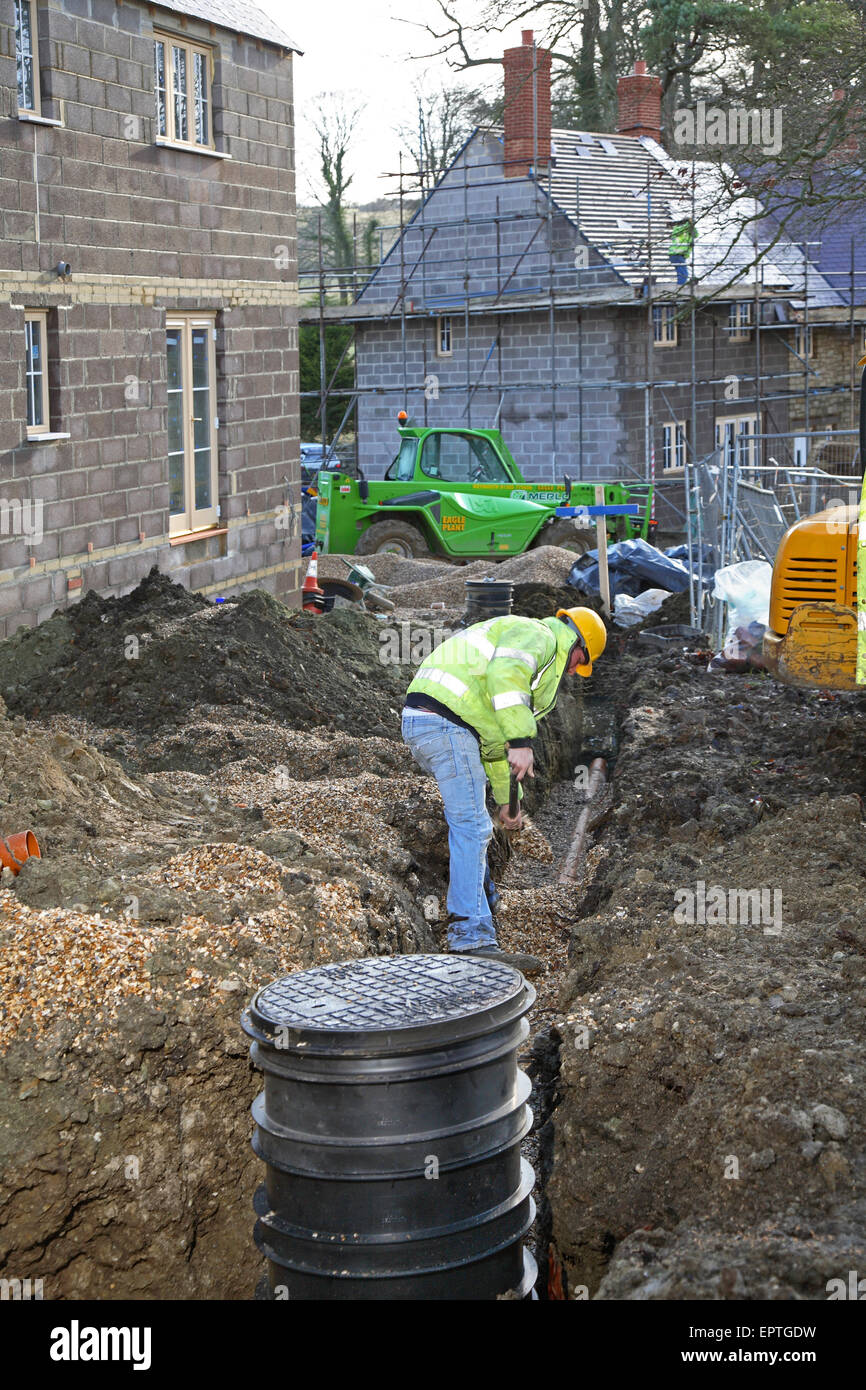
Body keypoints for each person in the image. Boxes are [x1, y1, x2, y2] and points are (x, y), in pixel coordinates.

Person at [401, 606, 607, 971]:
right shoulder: (539, 635)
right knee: (472, 827)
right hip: (444, 723)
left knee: (476, 822)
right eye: (579, 660)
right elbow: (506, 676)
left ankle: (486, 901)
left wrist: (509, 804)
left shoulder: (519, 639)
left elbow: (493, 749)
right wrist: (521, 740)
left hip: (435, 722)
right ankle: (471, 938)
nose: (574, 670)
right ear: (576, 640)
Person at [669, 217, 695, 286]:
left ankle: (680, 286)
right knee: (684, 274)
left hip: (678, 255)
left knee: (681, 273)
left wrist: (690, 225)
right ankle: (680, 287)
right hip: (677, 254)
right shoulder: (680, 230)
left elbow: (696, 234)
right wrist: (688, 223)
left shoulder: (688, 231)